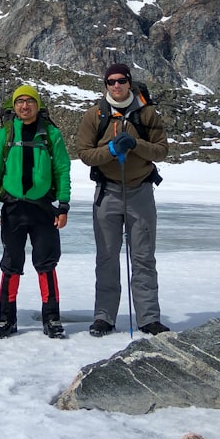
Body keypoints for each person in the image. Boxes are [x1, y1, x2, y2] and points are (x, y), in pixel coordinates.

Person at [75, 63, 169, 337]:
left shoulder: (147, 113)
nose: (116, 86)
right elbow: (85, 153)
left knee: (143, 258)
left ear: (129, 83)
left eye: (121, 81)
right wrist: (112, 149)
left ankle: (149, 318)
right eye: (111, 82)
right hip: (108, 193)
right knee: (106, 257)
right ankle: (104, 317)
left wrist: (135, 144)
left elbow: (162, 151)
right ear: (105, 85)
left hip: (140, 192)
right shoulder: (96, 115)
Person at [0, 84, 71, 339]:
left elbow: (62, 169)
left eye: (29, 101)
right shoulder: (7, 133)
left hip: (44, 209)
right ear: (14, 106)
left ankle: (52, 318)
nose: (24, 106)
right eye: (19, 102)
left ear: (37, 105)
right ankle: (6, 318)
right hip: (13, 208)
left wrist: (63, 205)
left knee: (46, 263)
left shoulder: (51, 134)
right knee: (11, 264)